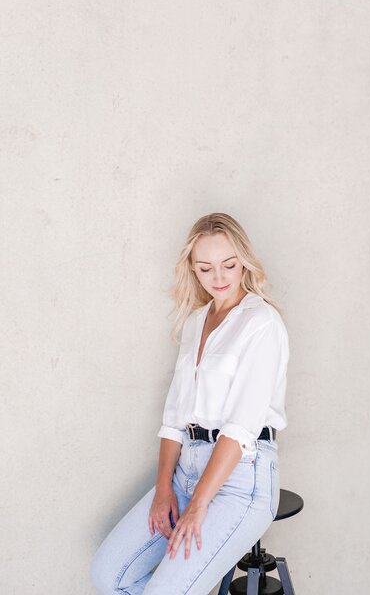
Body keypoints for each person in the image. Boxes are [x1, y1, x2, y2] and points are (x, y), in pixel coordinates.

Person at [90, 212, 290, 595]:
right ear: (192, 270)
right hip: (185, 471)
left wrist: (198, 505)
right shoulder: (197, 322)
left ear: (244, 260)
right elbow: (174, 420)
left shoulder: (261, 323)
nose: (220, 278)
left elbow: (239, 428)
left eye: (229, 265)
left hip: (241, 478)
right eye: (206, 268)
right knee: (108, 575)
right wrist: (163, 488)